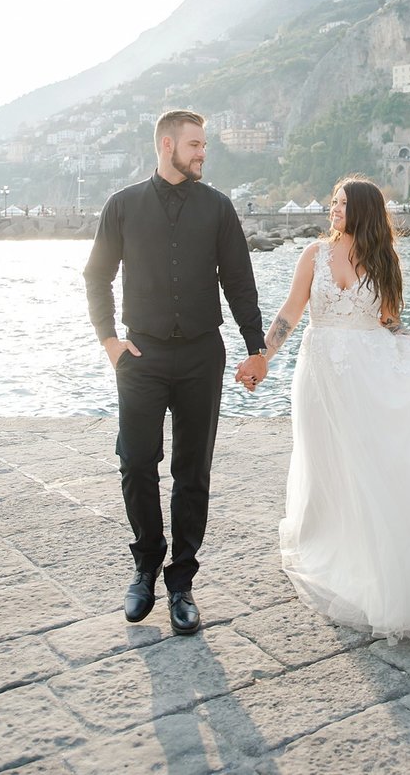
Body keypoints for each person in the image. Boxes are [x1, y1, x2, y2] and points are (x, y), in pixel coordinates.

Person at [237, 175, 410, 643]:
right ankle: (330, 542)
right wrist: (262, 356)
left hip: (371, 369)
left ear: (363, 211)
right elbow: (289, 312)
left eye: (342, 204)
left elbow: (389, 322)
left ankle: (381, 555)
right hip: (320, 372)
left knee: (373, 461)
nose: (333, 209)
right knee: (326, 458)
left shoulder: (384, 260)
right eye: (333, 202)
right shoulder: (314, 256)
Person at [84, 110, 268, 635]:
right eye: (194, 145)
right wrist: (110, 342)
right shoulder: (121, 206)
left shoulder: (218, 208)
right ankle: (145, 566)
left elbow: (239, 282)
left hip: (200, 356)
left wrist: (256, 348)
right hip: (139, 356)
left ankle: (181, 582)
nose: (202, 153)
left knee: (193, 472)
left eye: (204, 145)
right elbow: (97, 276)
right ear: (167, 145)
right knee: (136, 463)